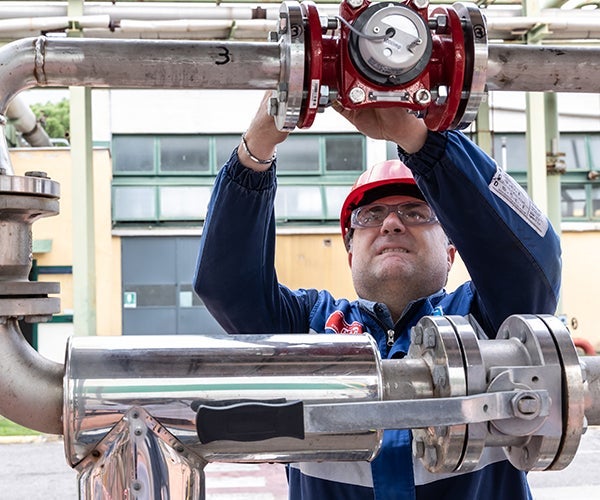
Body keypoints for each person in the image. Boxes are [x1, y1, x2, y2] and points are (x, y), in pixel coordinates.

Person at [194, 91, 561, 499]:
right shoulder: (306, 327)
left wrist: (419, 139)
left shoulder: (486, 322)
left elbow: (534, 257)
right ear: (350, 249)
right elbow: (226, 284)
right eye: (370, 215)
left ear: (452, 250)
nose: (391, 223)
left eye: (415, 212)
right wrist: (257, 147)